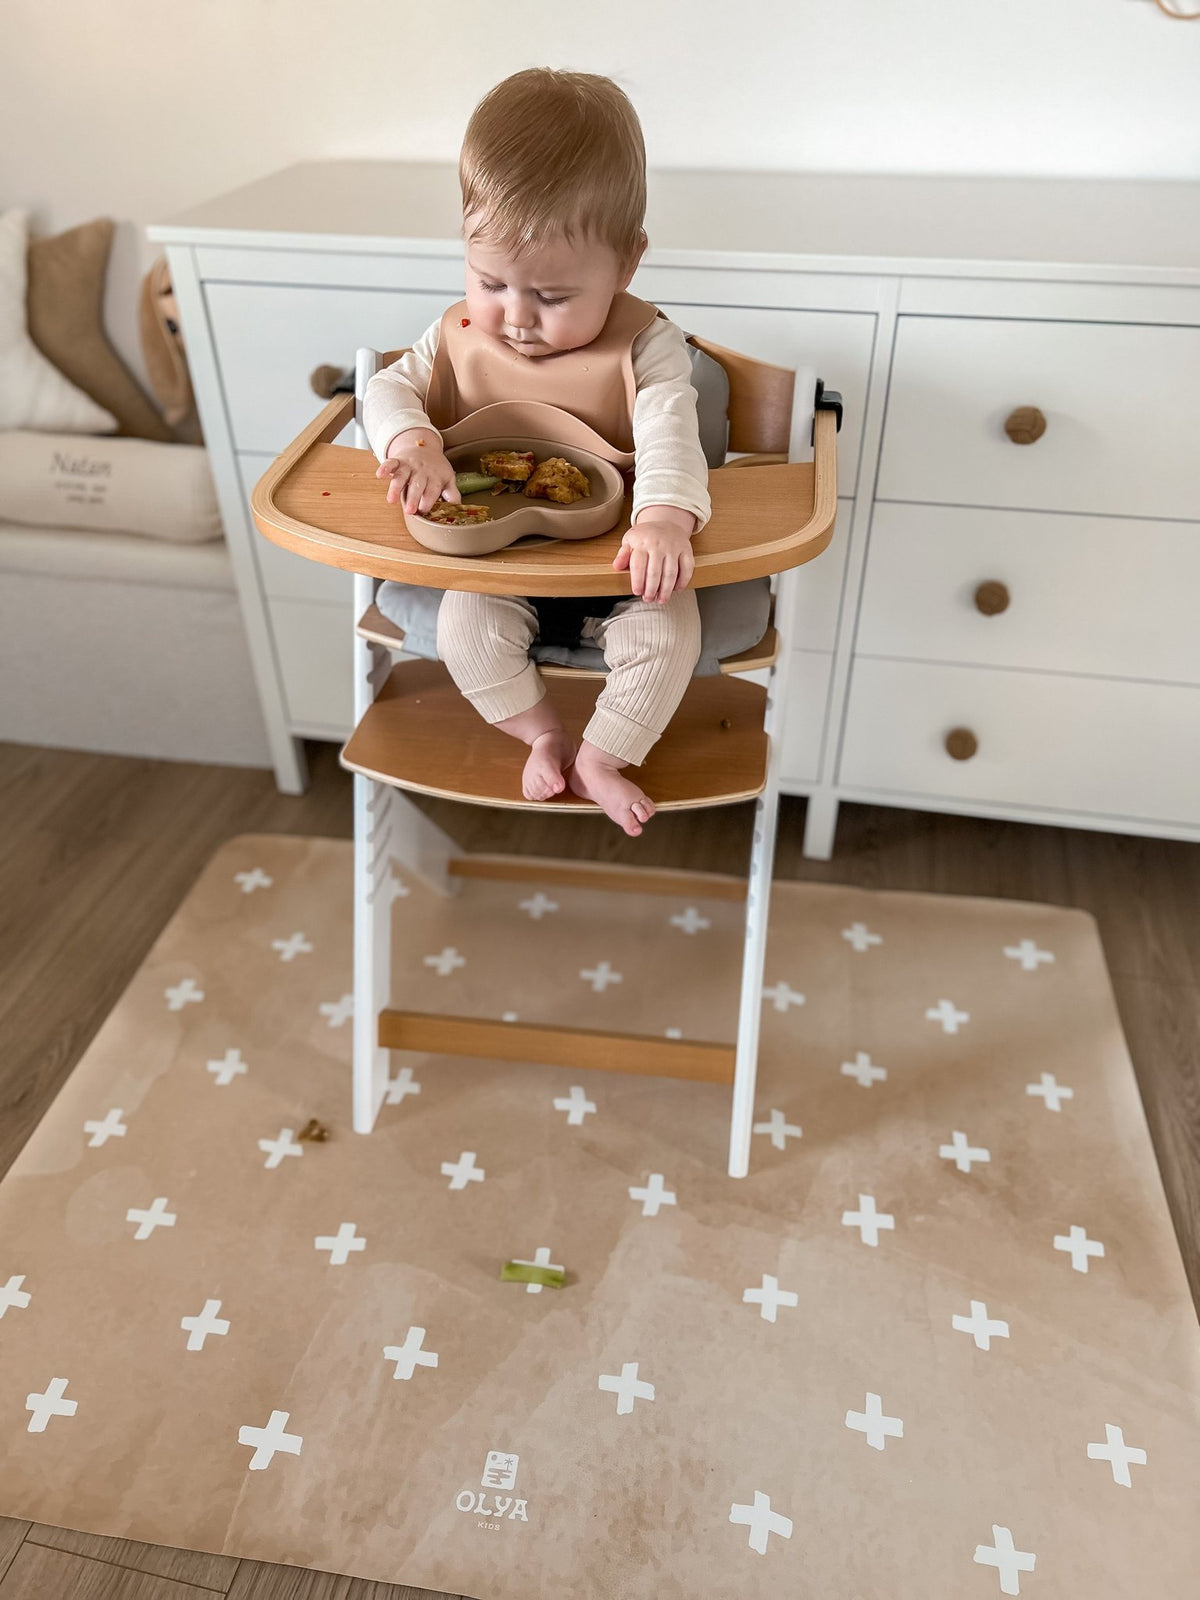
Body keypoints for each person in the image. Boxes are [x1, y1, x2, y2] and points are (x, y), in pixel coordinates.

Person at [364, 69, 711, 838]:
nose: (516, 317)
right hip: (497, 561)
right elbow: (385, 390)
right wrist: (414, 441)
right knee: (463, 632)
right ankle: (540, 732)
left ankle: (604, 756)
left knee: (670, 637)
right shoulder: (455, 338)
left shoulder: (647, 347)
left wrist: (662, 519)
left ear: (626, 265)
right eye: (490, 282)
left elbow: (669, 431)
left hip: (618, 566)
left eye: (552, 297)